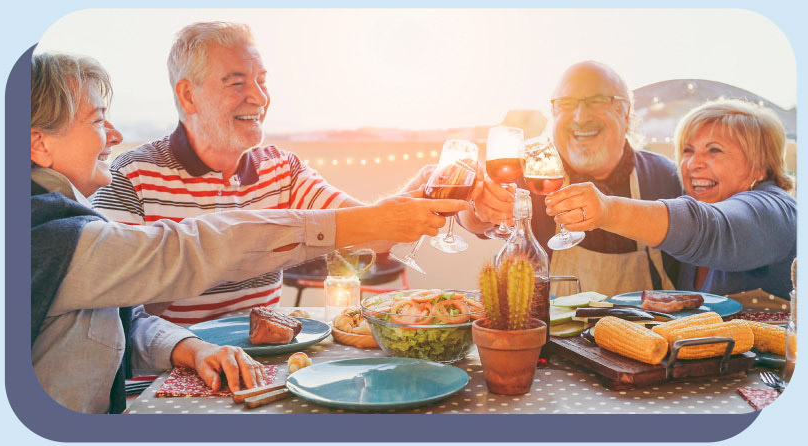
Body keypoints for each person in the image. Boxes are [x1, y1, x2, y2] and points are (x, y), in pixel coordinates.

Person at [30, 52, 468, 413]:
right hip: (156, 395)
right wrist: (372, 221)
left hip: (243, 374)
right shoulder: (53, 233)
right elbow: (187, 251)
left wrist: (191, 347)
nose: (114, 134)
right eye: (95, 120)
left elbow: (118, 309)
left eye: (262, 80)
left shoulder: (283, 166)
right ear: (39, 144)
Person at [92, 21, 501, 324]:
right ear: (188, 95)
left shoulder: (281, 168)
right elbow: (114, 310)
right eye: (237, 83)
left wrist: (422, 190)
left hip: (265, 365)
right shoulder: (130, 177)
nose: (259, 96)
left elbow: (365, 233)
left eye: (262, 80)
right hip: (167, 376)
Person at [544, 99, 796, 298]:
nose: (693, 163)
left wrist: (607, 209)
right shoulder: (696, 199)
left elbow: (709, 228)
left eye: (714, 150)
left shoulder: (776, 211)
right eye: (688, 150)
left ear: (760, 166)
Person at [527, 61, 683, 297]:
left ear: (626, 112)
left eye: (597, 101)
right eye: (567, 104)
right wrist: (476, 212)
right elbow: (481, 220)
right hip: (555, 333)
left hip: (646, 331)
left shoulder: (665, 176)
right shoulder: (536, 174)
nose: (580, 118)